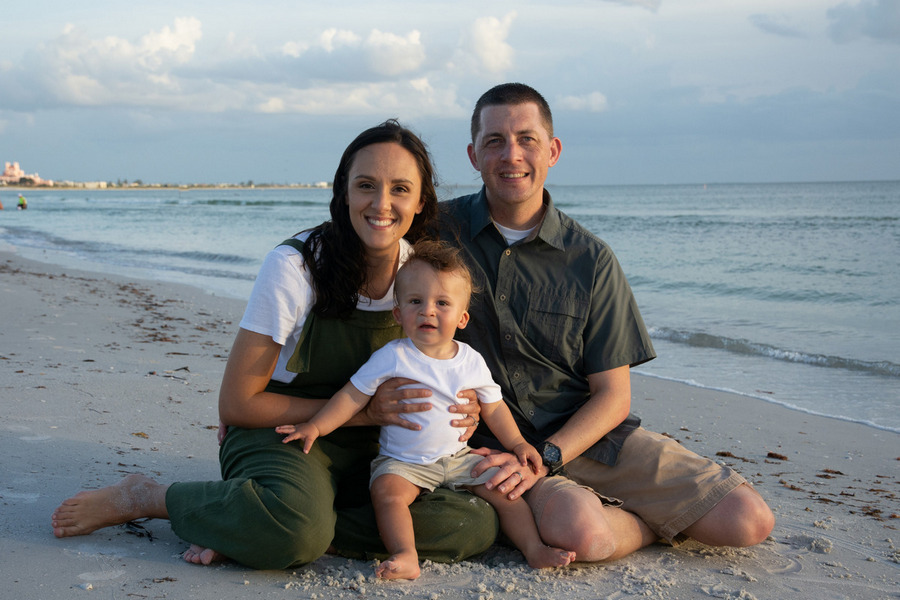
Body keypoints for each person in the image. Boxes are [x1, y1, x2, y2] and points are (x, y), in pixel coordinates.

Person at [50, 120, 498, 570]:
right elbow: (238, 403)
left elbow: (436, 365)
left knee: (473, 522)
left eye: (400, 189)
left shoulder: (419, 278)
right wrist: (362, 412)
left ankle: (248, 520)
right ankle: (150, 497)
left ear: (421, 201)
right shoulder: (295, 266)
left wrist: (463, 404)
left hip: (376, 446)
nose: (382, 203)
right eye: (366, 185)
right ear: (344, 191)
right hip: (282, 434)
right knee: (297, 528)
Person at [401, 82, 772, 562]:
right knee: (586, 538)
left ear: (552, 151)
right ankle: (634, 520)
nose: (511, 154)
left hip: (589, 440)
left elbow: (614, 396)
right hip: (494, 449)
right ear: (474, 155)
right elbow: (367, 245)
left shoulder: (590, 259)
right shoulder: (434, 234)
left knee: (747, 519)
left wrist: (551, 457)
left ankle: (630, 511)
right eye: (495, 141)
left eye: (527, 139)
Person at [276, 240, 576, 579]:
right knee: (387, 493)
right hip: (403, 462)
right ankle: (405, 555)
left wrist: (518, 444)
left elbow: (494, 409)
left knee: (504, 492)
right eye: (416, 302)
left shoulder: (470, 361)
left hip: (459, 458)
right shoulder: (393, 356)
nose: (428, 311)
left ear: (462, 318)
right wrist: (316, 426)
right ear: (398, 313)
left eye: (442, 303)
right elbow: (351, 397)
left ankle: (534, 549)